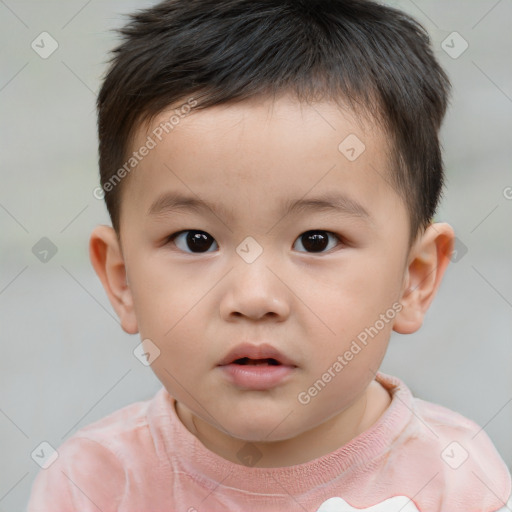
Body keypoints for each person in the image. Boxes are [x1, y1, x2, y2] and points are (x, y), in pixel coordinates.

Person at [27, 0, 511, 510]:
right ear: (122, 279)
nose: (253, 298)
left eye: (316, 240)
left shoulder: (454, 481)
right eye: (197, 240)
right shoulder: (93, 484)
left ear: (414, 279)